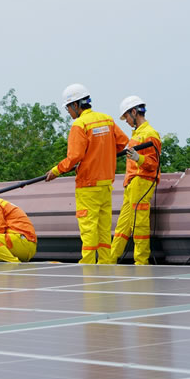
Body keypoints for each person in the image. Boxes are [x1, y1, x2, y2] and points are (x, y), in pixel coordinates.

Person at [45, 83, 128, 264]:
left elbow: (75, 156)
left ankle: (88, 267)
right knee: (104, 229)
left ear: (75, 105)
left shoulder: (80, 124)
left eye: (68, 108)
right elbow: (122, 143)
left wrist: (56, 171)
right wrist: (101, 153)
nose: (68, 112)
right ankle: (106, 265)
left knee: (89, 228)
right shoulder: (107, 119)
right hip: (106, 184)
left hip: (88, 185)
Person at [109, 96, 161, 265]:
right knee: (123, 225)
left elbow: (153, 164)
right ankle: (109, 260)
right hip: (132, 184)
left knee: (139, 224)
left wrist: (139, 158)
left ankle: (141, 262)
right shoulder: (136, 135)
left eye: (127, 117)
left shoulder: (150, 134)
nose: (127, 121)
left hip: (142, 182)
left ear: (134, 112)